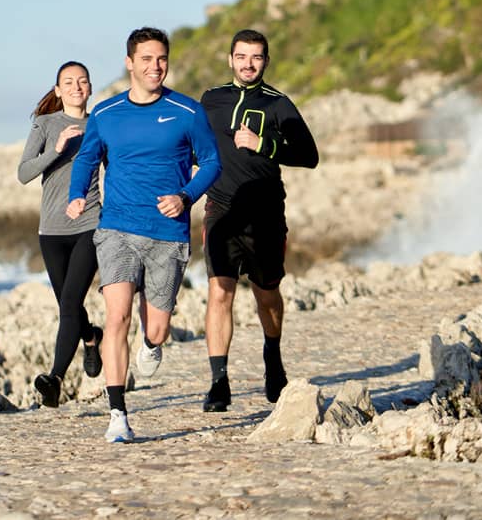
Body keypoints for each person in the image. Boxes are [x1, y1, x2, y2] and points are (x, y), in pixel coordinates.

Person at [65, 26, 221, 443]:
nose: (156, 66)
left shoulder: (188, 112)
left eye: (162, 59)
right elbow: (87, 158)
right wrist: (78, 194)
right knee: (115, 317)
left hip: (167, 233)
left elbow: (210, 163)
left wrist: (186, 197)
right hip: (116, 228)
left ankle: (152, 346)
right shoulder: (106, 112)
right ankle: (117, 414)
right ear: (130, 63)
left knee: (156, 329)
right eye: (147, 59)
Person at [197, 29, 319, 412]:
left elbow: (309, 155)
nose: (248, 64)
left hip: (265, 212)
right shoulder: (211, 100)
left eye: (256, 57)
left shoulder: (279, 103)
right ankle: (219, 381)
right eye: (241, 56)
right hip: (220, 208)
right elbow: (191, 144)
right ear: (230, 58)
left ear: (266, 61)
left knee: (266, 293)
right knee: (220, 291)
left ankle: (273, 355)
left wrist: (263, 144)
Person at [17, 61, 104, 408]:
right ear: (57, 90)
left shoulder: (101, 124)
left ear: (90, 87)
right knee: (69, 303)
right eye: (68, 82)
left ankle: (54, 378)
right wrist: (57, 149)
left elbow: (120, 165)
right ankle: (91, 337)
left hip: (90, 223)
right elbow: (24, 173)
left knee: (69, 303)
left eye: (82, 81)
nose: (76, 86)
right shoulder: (45, 124)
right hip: (51, 230)